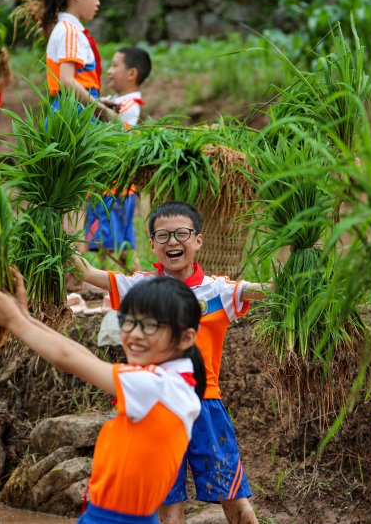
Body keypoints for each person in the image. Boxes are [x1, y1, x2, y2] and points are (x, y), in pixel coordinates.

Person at [74, 201, 270, 524]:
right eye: (163, 236)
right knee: (169, 511)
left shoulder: (218, 290)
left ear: (198, 241)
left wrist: (304, 277)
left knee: (236, 503)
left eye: (182, 234)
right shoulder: (141, 286)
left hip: (206, 407)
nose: (173, 242)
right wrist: (51, 221)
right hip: (155, 406)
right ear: (151, 243)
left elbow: (264, 291)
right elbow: (85, 272)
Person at [0, 273, 202, 523]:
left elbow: (67, 360)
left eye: (151, 325)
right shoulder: (169, 382)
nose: (135, 334)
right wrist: (24, 316)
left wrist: (14, 322)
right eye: (129, 322)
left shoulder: (157, 385)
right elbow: (86, 358)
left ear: (186, 338)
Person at [86, 47, 153, 266]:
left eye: (115, 66)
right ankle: (118, 276)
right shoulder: (116, 99)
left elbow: (121, 130)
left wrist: (101, 110)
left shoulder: (130, 105)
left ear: (132, 74)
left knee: (113, 236)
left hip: (115, 184)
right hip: (110, 183)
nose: (109, 71)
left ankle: (116, 279)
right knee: (111, 237)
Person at [42, 0, 115, 120]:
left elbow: (78, 81)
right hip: (75, 114)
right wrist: (99, 108)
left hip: (77, 107)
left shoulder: (67, 29)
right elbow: (67, 81)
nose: (98, 2)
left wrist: (97, 101)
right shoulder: (69, 31)